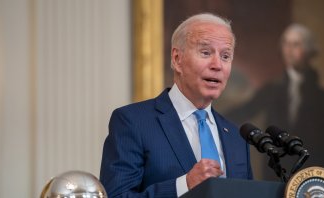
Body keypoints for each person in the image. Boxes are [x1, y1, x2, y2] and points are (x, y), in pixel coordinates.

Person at [100, 13, 254, 197]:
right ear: (177, 59)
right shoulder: (133, 122)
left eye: (226, 56)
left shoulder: (236, 136)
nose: (217, 65)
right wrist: (184, 185)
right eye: (205, 52)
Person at [226, 24, 324, 183]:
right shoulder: (272, 90)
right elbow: (245, 111)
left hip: (313, 180)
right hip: (276, 177)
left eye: (296, 44)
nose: (289, 50)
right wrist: (214, 117)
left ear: (308, 51)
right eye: (286, 43)